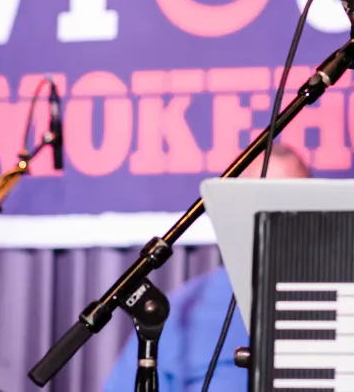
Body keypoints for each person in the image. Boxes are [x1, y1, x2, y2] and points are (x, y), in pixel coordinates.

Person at [102, 145, 311, 392]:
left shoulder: (350, 299)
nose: (276, 217)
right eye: (261, 200)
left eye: (293, 201)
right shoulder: (182, 312)